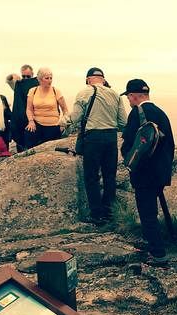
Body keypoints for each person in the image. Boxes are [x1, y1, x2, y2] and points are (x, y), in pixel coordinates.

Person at [120, 79, 175, 266]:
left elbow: (128, 143)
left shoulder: (137, 113)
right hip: (161, 172)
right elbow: (170, 144)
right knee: (154, 210)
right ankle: (162, 241)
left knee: (147, 213)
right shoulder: (161, 113)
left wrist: (128, 159)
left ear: (134, 95)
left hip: (144, 173)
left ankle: (158, 253)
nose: (128, 100)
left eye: (128, 96)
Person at [68, 67, 127, 224]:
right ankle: (109, 212)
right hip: (111, 138)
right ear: (103, 79)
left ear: (88, 79)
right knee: (110, 176)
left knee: (92, 176)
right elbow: (123, 122)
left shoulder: (84, 92)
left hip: (93, 138)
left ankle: (97, 214)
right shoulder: (115, 94)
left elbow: (75, 117)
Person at [25, 67, 69, 149]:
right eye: (47, 78)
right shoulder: (32, 91)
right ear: (40, 79)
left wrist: (63, 124)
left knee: (51, 147)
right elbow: (29, 109)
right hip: (37, 123)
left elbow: (65, 110)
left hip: (53, 125)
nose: (50, 80)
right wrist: (31, 121)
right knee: (29, 132)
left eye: (51, 78)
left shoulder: (56, 91)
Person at [8, 64, 40, 152]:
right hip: (21, 119)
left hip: (34, 118)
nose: (26, 79)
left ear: (32, 74)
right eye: (24, 76)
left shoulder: (38, 84)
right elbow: (8, 79)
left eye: (28, 76)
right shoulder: (18, 84)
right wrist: (14, 77)